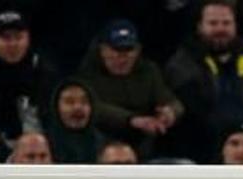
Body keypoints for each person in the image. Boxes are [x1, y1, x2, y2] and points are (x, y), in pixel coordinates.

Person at [165, 1, 243, 163]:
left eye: (226, 23)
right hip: (201, 147)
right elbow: (196, 111)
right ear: (200, 26)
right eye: (213, 23)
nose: (220, 29)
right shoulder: (184, 61)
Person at [78, 19, 182, 162]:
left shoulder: (148, 71)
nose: (122, 58)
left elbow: (169, 99)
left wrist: (170, 112)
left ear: (138, 50)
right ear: (103, 50)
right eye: (116, 51)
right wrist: (131, 120)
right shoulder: (87, 73)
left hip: (143, 145)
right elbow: (92, 107)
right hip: (100, 142)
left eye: (128, 51)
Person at [0, 11, 56, 146]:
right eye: (6, 38)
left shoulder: (44, 73)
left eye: (18, 37)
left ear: (28, 39)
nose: (12, 44)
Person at [45, 78, 106, 164]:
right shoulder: (44, 146)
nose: (78, 107)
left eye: (84, 102)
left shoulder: (104, 146)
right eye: (69, 102)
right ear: (56, 108)